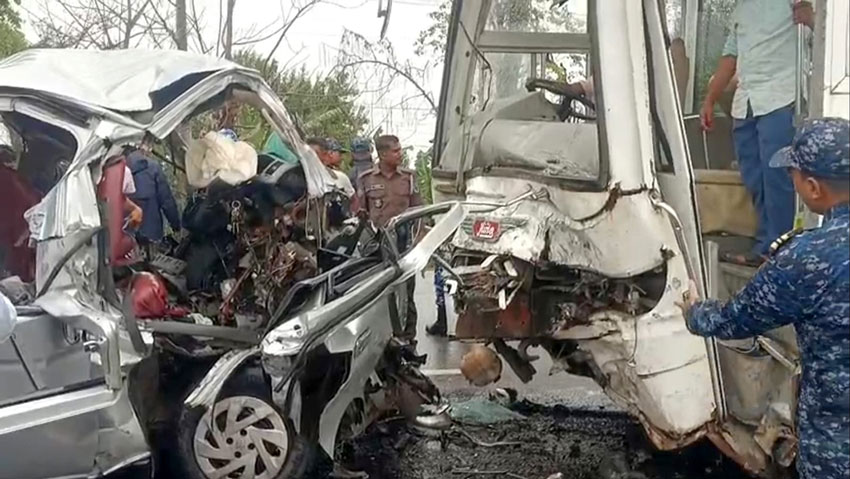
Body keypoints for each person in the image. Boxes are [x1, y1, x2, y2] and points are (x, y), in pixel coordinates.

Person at [681, 118, 849, 479]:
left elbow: (736, 319)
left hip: (836, 450)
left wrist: (694, 311)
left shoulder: (809, 258)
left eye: (793, 174)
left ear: (814, 187)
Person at [700, 0, 815, 266]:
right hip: (747, 101)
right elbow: (730, 59)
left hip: (781, 97)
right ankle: (766, 245)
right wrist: (710, 99)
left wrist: (811, 18)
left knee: (778, 177)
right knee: (754, 178)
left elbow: (827, 39)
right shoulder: (741, 8)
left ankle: (780, 251)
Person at [357, 135, 422, 340]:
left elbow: (420, 211)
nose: (400, 154)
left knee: (407, 294)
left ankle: (408, 339)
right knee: (380, 295)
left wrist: (418, 240)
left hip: (404, 246)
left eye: (400, 149)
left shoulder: (409, 178)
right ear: (383, 154)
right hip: (378, 248)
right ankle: (382, 339)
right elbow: (360, 215)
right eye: (395, 151)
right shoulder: (366, 179)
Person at [126, 140, 181, 242]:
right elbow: (166, 201)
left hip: (127, 235)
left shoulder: (116, 171)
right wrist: (176, 225)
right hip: (152, 234)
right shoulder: (153, 168)